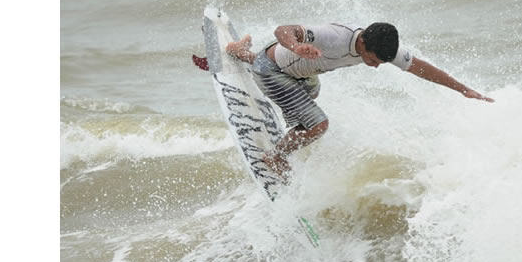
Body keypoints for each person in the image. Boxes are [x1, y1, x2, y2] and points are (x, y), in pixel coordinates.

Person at [194, 22, 494, 179]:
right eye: (373, 60)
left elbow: (419, 67)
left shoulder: (382, 46)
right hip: (273, 70)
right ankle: (275, 157)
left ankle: (240, 52)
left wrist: (463, 89)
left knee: (311, 99)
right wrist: (297, 45)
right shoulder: (332, 36)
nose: (375, 66)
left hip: (300, 74)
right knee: (318, 124)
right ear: (363, 43)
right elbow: (282, 30)